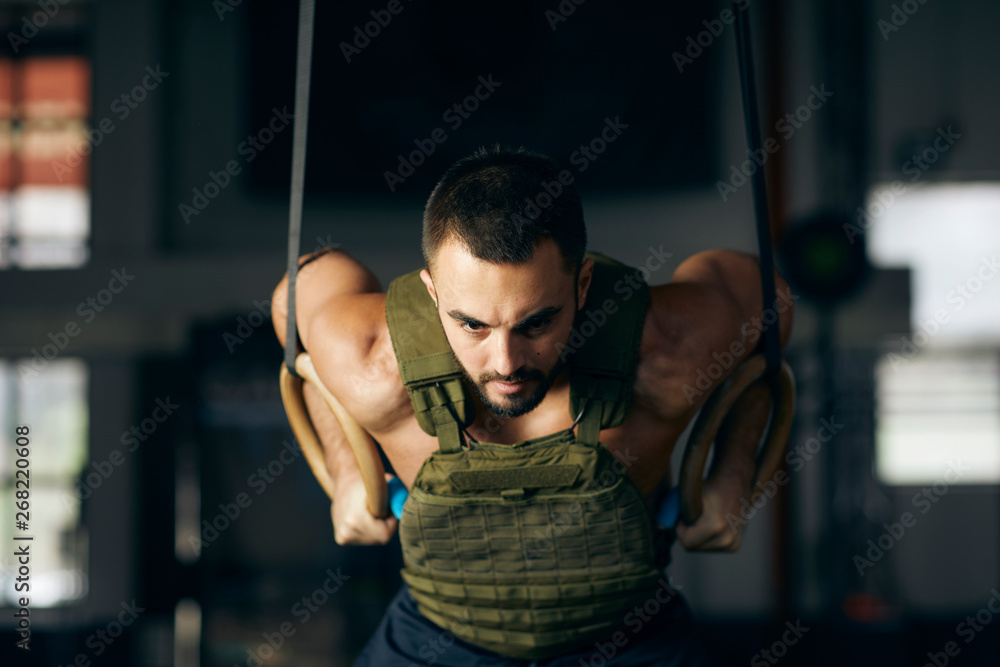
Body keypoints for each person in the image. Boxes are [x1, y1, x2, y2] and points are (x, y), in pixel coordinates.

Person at [270, 145, 794, 665]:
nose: (506, 363)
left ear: (583, 284)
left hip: (630, 641)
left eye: (536, 322)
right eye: (472, 324)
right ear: (432, 294)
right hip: (436, 639)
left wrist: (732, 474)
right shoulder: (373, 362)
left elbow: (768, 298)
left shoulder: (666, 352)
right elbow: (296, 294)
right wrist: (345, 473)